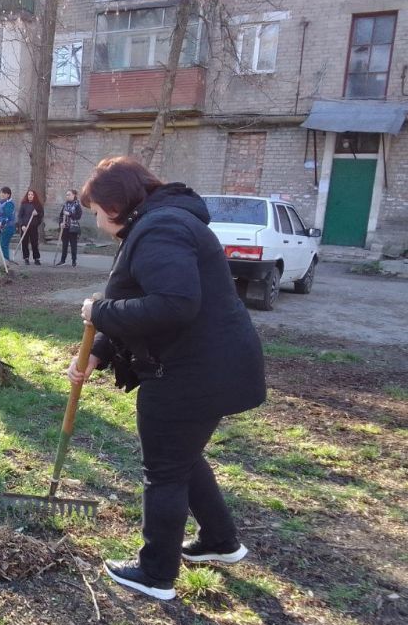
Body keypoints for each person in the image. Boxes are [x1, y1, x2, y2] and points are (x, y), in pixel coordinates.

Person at [68, 157, 265, 601]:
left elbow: (174, 304)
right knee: (183, 457)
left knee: (165, 470)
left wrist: (98, 311)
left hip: (189, 374)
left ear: (117, 204)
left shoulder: (161, 229)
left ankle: (156, 573)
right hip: (211, 367)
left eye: (98, 212)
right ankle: (220, 541)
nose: (98, 224)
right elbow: (144, 302)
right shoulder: (164, 222)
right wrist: (98, 353)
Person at [17, 188, 44, 265]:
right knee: (24, 243)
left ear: (34, 196)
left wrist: (37, 214)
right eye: (29, 194)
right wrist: (22, 225)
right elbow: (20, 216)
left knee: (34, 243)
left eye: (32, 194)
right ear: (27, 195)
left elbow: (41, 215)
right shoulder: (24, 204)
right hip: (24, 227)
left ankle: (36, 258)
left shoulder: (38, 205)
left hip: (33, 227)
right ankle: (26, 258)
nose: (30, 196)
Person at [57, 189, 82, 266]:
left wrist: (70, 214)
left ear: (73, 195)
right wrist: (61, 223)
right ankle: (62, 260)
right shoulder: (65, 205)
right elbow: (61, 216)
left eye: (69, 194)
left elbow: (78, 216)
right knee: (64, 245)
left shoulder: (77, 205)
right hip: (65, 227)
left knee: (73, 245)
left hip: (73, 228)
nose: (67, 196)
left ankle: (74, 261)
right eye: (66, 195)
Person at [0, 187, 17, 261]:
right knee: (1, 244)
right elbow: (1, 213)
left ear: (8, 195)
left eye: (4, 193)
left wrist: (0, 224)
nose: (2, 194)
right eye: (1, 193)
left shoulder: (9, 204)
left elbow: (9, 217)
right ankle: (3, 260)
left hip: (7, 227)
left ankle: (6, 260)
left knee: (4, 244)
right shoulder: (2, 202)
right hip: (2, 227)